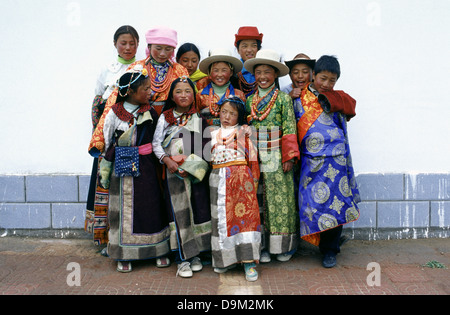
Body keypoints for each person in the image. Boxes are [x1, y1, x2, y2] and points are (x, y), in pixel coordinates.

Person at [98, 65, 171, 272]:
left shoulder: (150, 112)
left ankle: (158, 251)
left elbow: (158, 138)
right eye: (145, 89)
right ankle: (124, 254)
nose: (150, 92)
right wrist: (105, 166)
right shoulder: (114, 113)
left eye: (150, 88)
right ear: (130, 91)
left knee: (151, 205)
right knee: (123, 209)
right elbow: (106, 138)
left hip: (147, 167)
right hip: (122, 166)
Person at [296, 55, 360, 268]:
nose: (326, 84)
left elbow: (351, 110)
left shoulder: (338, 99)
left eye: (331, 80)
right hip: (311, 162)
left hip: (336, 160)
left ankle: (330, 250)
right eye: (322, 78)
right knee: (312, 203)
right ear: (314, 75)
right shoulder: (298, 98)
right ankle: (322, 242)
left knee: (336, 204)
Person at [88, 26, 188, 157]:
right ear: (149, 46)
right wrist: (99, 138)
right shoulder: (137, 67)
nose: (163, 53)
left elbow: (188, 98)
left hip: (169, 124)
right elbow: (115, 98)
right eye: (158, 48)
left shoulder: (180, 70)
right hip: (141, 124)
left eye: (168, 49)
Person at [85, 25, 139, 247]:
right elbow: (97, 101)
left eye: (132, 43)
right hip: (109, 137)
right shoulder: (107, 69)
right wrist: (100, 133)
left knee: (128, 186)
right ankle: (103, 237)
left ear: (138, 44)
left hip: (132, 138)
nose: (127, 47)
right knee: (105, 183)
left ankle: (127, 236)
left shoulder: (142, 68)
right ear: (115, 43)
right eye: (123, 43)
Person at [243, 49, 300, 263]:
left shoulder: (284, 100)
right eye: (259, 72)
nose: (263, 77)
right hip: (255, 156)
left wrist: (289, 157)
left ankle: (283, 246)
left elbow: (289, 128)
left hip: (277, 155)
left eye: (267, 72)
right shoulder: (249, 101)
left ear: (275, 75)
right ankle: (263, 246)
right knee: (258, 202)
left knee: (279, 200)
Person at [152, 76, 212, 278]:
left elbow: (206, 149)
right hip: (174, 174)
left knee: (197, 211)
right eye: (179, 91)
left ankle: (196, 255)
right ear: (172, 95)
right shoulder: (165, 117)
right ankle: (182, 258)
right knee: (178, 215)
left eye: (188, 91)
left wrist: (192, 167)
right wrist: (167, 161)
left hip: (194, 176)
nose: (183, 95)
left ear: (193, 94)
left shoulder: (198, 118)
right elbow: (156, 144)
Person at [209, 96, 261, 282]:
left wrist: (254, 181)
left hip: (241, 181)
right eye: (224, 112)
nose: (227, 116)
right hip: (218, 180)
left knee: (245, 219)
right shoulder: (212, 133)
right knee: (221, 220)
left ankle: (249, 262)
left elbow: (253, 158)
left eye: (232, 113)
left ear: (239, 116)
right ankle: (224, 260)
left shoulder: (244, 133)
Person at [197, 49, 246, 126]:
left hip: (230, 136)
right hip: (206, 136)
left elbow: (242, 121)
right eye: (216, 70)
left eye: (224, 70)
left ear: (231, 72)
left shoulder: (239, 95)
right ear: (209, 72)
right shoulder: (201, 95)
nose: (219, 74)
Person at [232, 26, 263, 97]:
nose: (249, 50)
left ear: (258, 49)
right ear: (238, 50)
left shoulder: (267, 72)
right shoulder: (232, 73)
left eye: (253, 46)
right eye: (244, 46)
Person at [283, 53, 316, 121]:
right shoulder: (285, 91)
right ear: (290, 75)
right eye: (295, 72)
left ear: (312, 74)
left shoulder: (318, 90)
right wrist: (288, 98)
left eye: (305, 72)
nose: (300, 76)